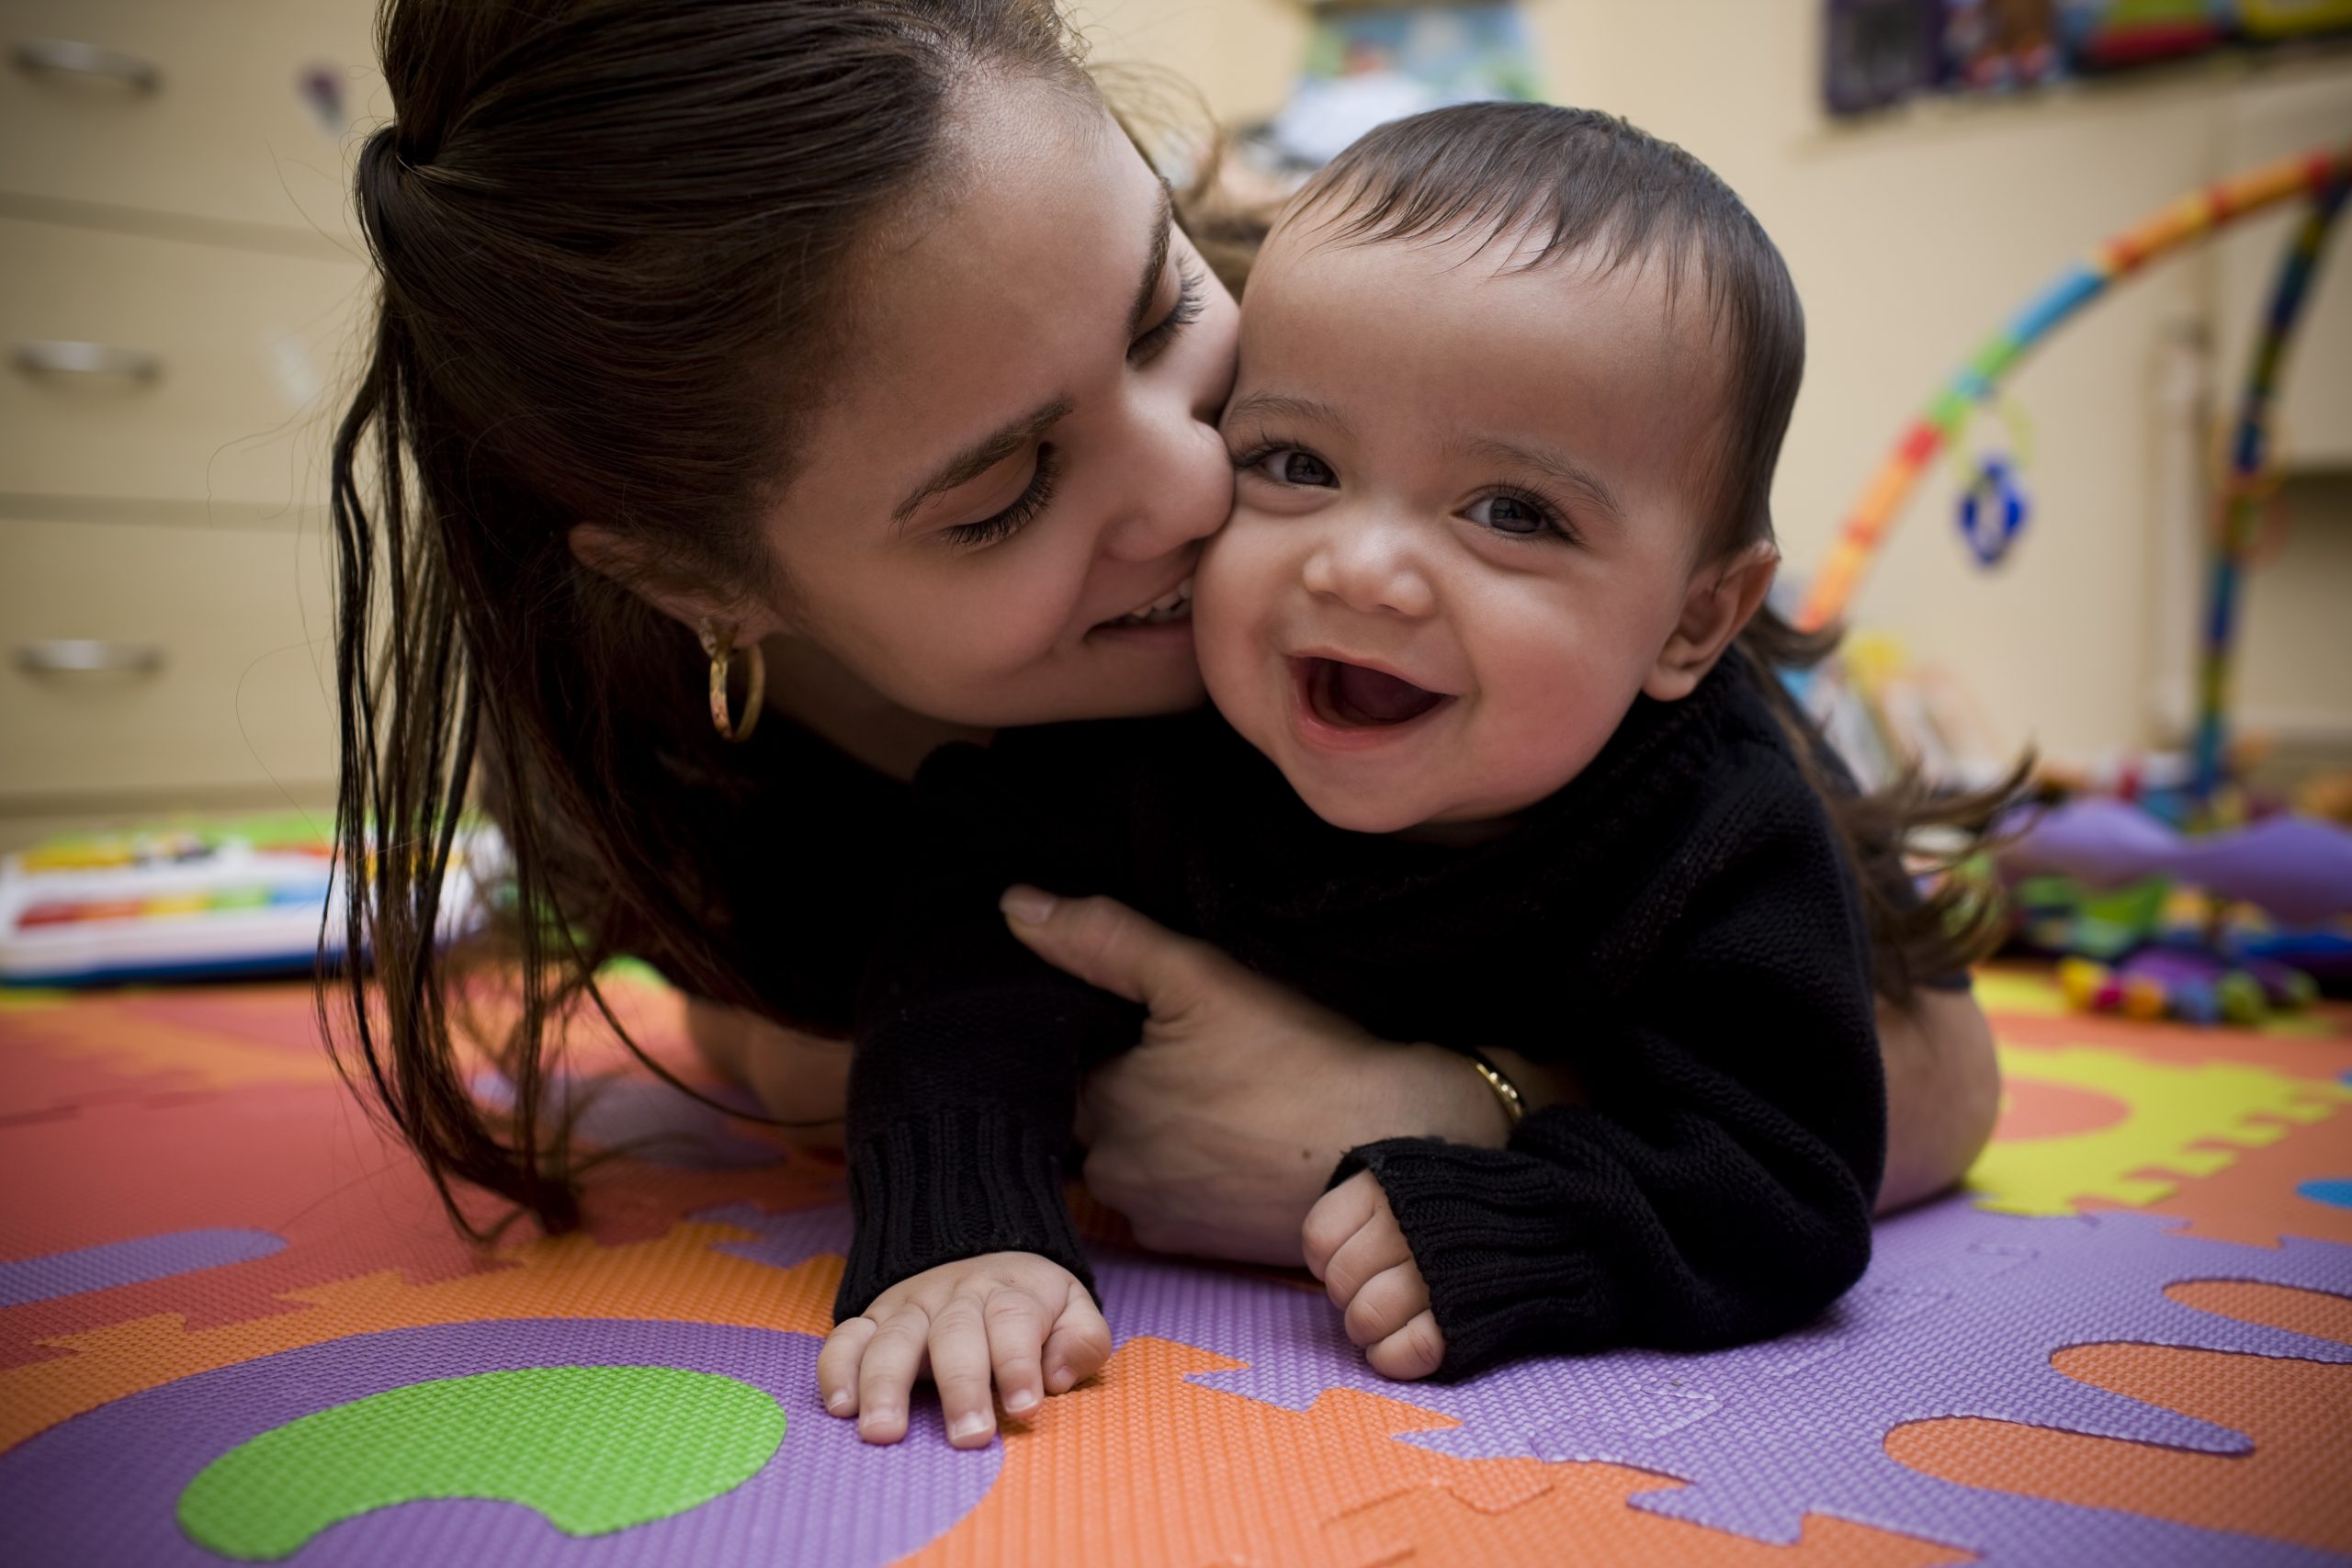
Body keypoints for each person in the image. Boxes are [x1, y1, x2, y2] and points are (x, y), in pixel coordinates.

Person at [324, 0, 2002, 1436]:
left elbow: (1924, 1071)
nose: (1206, 479)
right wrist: (936, 1127)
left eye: (1158, 318)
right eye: (1001, 491)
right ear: (703, 588)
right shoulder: (651, 744)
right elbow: (752, 1023)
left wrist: (1450, 1113)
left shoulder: (1386, 343)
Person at [816, 102, 2022, 1447]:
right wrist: (964, 1235)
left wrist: (1505, 1206)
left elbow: (1787, 1177)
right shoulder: (1141, 748)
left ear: (1694, 619)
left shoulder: (1719, 834)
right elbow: (961, 965)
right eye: (1295, 464)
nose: (1362, 567)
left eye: (1512, 513)